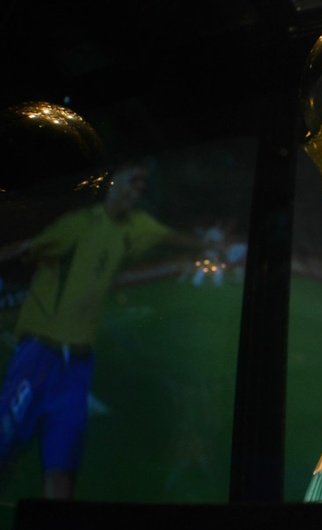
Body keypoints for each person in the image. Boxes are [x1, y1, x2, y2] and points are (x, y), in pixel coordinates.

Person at [0, 162, 207, 499]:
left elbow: (173, 238)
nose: (138, 188)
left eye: (143, 184)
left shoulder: (137, 226)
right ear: (112, 183)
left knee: (62, 469)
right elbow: (26, 248)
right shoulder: (78, 226)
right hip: (40, 352)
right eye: (133, 180)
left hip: (79, 364)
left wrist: (210, 244)